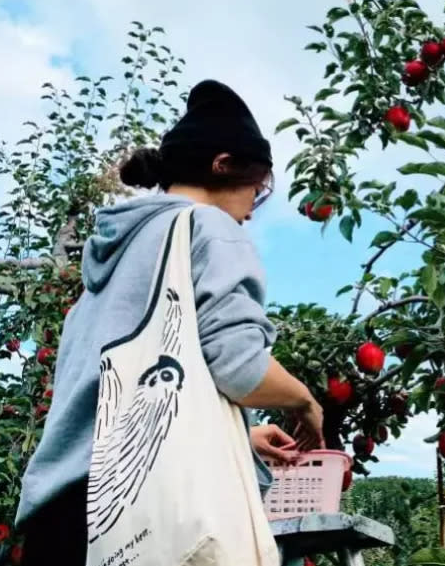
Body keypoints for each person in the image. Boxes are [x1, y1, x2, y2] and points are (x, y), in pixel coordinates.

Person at [16, 80, 324, 566]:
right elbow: (240, 367)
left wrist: (238, 435)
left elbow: (114, 396)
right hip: (141, 516)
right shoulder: (207, 227)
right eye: (258, 190)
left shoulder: (106, 269)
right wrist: (304, 401)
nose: (251, 211)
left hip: (58, 517)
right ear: (225, 165)